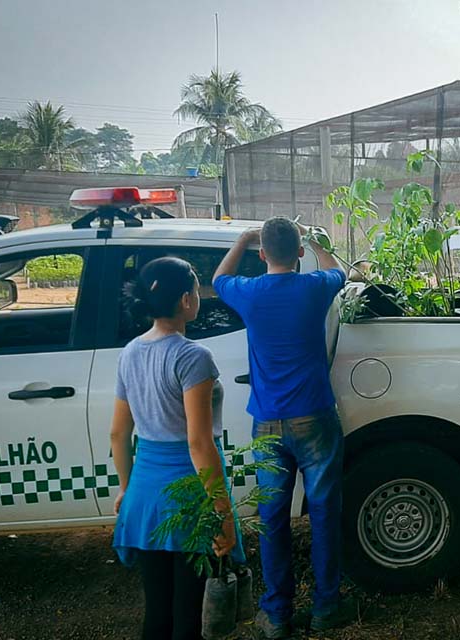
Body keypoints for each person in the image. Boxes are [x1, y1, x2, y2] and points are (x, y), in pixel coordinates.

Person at [212, 218, 349, 639]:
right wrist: (317, 240)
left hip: (268, 424)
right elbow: (341, 270)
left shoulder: (250, 293)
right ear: (301, 254)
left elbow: (220, 278)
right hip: (315, 419)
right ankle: (327, 607)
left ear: (262, 255)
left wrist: (241, 239)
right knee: (325, 514)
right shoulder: (313, 288)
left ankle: (276, 614)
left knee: (272, 519)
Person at [110, 256, 240, 640]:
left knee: (158, 610)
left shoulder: (130, 352)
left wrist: (124, 486)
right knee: (188, 613)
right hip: (188, 495)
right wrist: (223, 512)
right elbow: (199, 443)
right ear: (186, 300)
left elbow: (119, 433)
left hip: (146, 495)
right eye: (197, 288)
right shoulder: (192, 357)